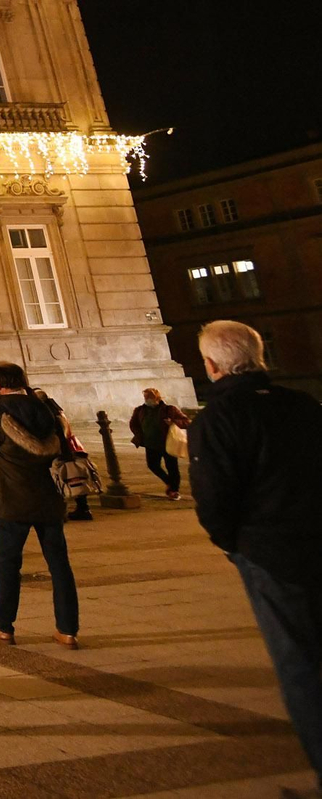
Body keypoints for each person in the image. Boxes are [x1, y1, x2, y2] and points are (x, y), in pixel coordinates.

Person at [190, 320, 322, 775]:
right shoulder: (302, 404)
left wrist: (236, 546)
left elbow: (213, 499)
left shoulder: (217, 418)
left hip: (271, 555)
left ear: (211, 365)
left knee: (300, 667)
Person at [0, 362, 80, 649]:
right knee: (60, 564)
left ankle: (2, 625)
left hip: (12, 500)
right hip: (49, 498)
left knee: (8, 564)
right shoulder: (45, 408)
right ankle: (67, 629)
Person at [129, 387, 191, 501]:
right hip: (151, 443)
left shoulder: (169, 409)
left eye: (149, 397)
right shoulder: (140, 410)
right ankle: (169, 483)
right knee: (152, 465)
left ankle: (174, 491)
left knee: (172, 467)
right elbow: (133, 424)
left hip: (168, 443)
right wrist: (139, 435)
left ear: (156, 397)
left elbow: (186, 421)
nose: (147, 399)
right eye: (146, 397)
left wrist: (173, 422)